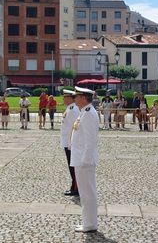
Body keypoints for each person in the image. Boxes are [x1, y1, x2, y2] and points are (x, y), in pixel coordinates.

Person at [71, 87, 99, 233]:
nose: (74, 99)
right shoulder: (85, 112)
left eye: (76, 96)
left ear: (83, 98)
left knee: (87, 192)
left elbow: (90, 140)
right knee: (86, 192)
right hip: (81, 158)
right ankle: (89, 222)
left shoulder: (88, 114)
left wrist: (85, 160)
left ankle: (89, 224)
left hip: (84, 160)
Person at [60, 89, 80, 196]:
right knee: (71, 166)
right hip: (68, 142)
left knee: (73, 166)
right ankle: (74, 186)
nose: (63, 99)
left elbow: (74, 128)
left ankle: (76, 188)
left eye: (65, 97)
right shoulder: (70, 108)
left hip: (70, 143)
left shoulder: (72, 110)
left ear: (69, 98)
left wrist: (70, 143)